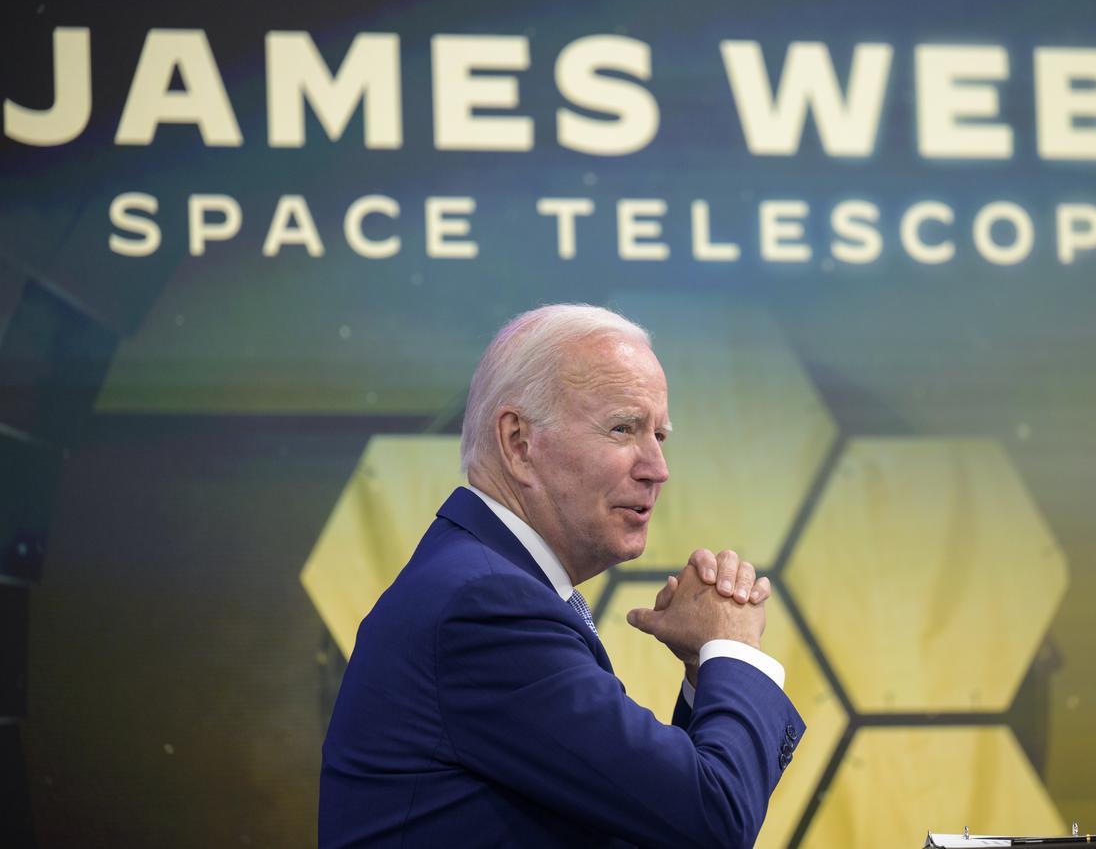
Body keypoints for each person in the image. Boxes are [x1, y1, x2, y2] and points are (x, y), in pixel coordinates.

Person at [320, 304, 804, 848]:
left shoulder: (486, 585)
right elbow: (712, 821)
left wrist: (700, 675)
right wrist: (733, 648)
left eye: (660, 436)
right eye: (623, 429)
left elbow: (651, 825)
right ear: (519, 442)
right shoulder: (484, 609)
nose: (657, 468)